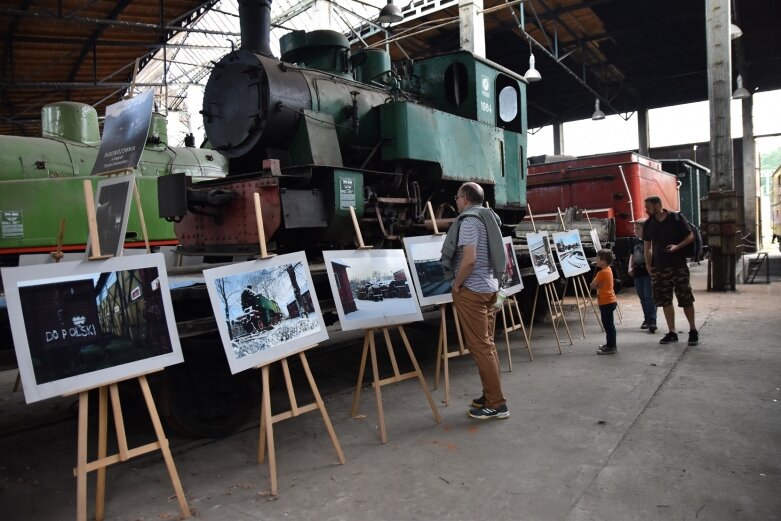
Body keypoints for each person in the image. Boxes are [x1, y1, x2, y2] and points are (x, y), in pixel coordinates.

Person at [440, 182, 508, 420]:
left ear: (466, 199)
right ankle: (490, 395)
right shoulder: (489, 218)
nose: (456, 201)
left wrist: (457, 285)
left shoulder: (468, 221)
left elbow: (469, 259)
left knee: (481, 348)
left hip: (472, 290)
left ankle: (497, 404)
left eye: (457, 197)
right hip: (489, 288)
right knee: (487, 346)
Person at [642, 196, 699, 346]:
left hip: (678, 266)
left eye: (648, 207)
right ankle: (672, 332)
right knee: (665, 300)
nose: (646, 210)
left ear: (658, 206)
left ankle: (693, 330)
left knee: (685, 298)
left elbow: (690, 236)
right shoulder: (648, 224)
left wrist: (677, 247)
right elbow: (647, 247)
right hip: (659, 267)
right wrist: (648, 265)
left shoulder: (676, 218)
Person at [628, 219, 657, 333]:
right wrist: (630, 267)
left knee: (649, 296)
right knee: (642, 298)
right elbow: (632, 255)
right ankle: (646, 319)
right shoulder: (634, 241)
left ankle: (652, 321)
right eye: (635, 228)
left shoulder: (650, 241)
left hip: (648, 273)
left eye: (638, 228)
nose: (635, 231)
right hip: (637, 272)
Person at [590, 249, 618, 355]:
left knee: (608, 325)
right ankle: (610, 344)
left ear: (603, 261)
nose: (596, 261)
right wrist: (598, 285)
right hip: (610, 301)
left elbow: (592, 285)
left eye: (597, 259)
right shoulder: (609, 270)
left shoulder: (601, 273)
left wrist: (596, 285)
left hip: (606, 302)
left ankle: (611, 346)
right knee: (609, 325)